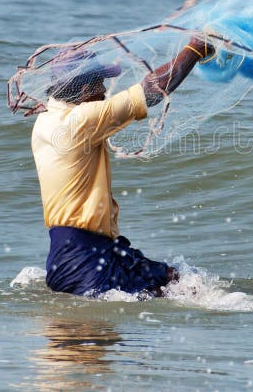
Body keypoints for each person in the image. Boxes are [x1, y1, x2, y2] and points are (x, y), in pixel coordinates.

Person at [30, 36, 215, 297]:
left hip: (76, 254)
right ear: (83, 92)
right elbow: (151, 91)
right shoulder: (80, 121)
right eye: (101, 84)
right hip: (86, 263)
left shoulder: (46, 121)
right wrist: (194, 49)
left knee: (180, 282)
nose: (105, 92)